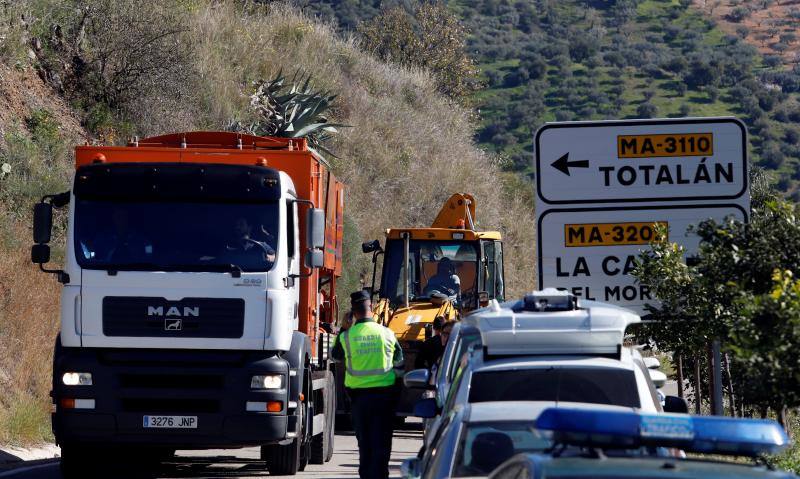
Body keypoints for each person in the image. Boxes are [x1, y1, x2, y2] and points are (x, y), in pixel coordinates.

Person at [331, 291, 404, 479]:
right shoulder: (387, 333)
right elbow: (399, 363)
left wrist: (343, 329)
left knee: (365, 445)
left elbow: (335, 356)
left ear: (353, 312)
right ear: (371, 307)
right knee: (382, 444)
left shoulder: (347, 337)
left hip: (359, 401)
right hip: (384, 400)